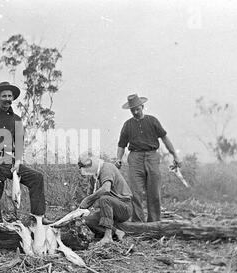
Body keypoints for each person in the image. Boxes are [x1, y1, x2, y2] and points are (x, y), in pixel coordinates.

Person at [0, 81, 46, 223]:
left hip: (10, 161)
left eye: (10, 96)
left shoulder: (17, 119)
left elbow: (19, 143)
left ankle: (38, 218)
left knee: (37, 178)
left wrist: (18, 162)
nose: (7, 99)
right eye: (4, 96)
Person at [115, 94, 182, 222]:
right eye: (132, 110)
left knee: (154, 193)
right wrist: (118, 159)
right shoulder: (127, 125)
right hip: (135, 158)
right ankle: (138, 223)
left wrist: (175, 155)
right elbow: (121, 145)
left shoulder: (152, 121)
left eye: (137, 109)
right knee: (135, 193)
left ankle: (154, 223)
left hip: (152, 156)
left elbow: (165, 138)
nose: (135, 112)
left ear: (142, 106)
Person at [78, 152, 133, 245]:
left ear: (94, 160)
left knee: (104, 198)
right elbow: (90, 197)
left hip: (124, 207)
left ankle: (108, 236)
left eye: (88, 164)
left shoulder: (107, 167)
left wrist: (88, 200)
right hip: (109, 210)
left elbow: (106, 189)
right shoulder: (94, 177)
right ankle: (117, 232)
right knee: (87, 220)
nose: (87, 168)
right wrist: (79, 212)